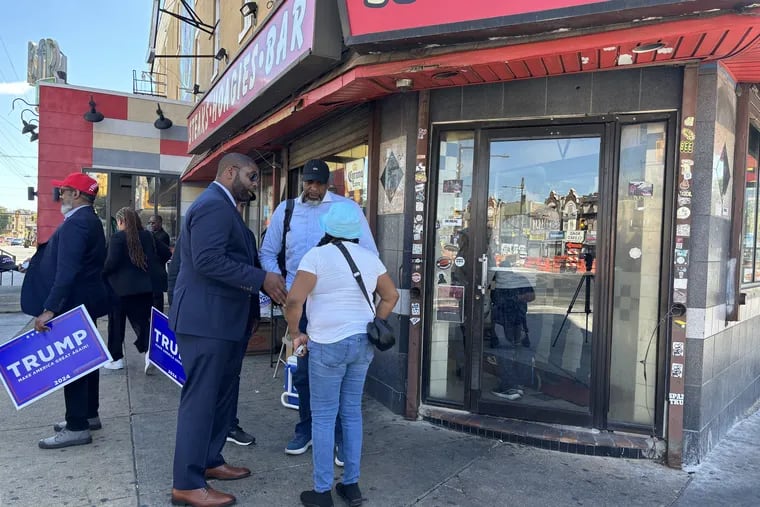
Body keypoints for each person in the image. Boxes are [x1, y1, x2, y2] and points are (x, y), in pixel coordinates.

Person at [169, 153, 286, 507]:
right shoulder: (213, 206)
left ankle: (210, 460)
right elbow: (207, 260)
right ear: (230, 171)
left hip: (225, 322)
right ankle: (187, 484)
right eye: (252, 176)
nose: (255, 184)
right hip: (207, 322)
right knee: (201, 401)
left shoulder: (224, 208)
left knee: (222, 398)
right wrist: (262, 279)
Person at [259, 159, 377, 459]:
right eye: (308, 182)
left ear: (328, 183)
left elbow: (370, 254)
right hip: (299, 306)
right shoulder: (286, 211)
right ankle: (307, 428)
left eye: (318, 183)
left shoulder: (346, 210)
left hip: (336, 306)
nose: (313, 188)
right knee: (302, 371)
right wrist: (279, 286)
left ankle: (338, 436)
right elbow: (268, 253)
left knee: (337, 374)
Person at [286, 201, 399, 507]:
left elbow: (294, 301)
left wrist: (296, 333)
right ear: (356, 232)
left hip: (327, 345)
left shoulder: (316, 257)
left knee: (323, 418)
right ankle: (351, 485)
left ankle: (322, 491)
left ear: (327, 228)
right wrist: (378, 319)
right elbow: (391, 295)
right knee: (351, 413)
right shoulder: (370, 258)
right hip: (362, 343)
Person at [20, 172, 109, 449]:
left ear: (77, 195)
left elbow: (66, 272)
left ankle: (76, 426)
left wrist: (49, 309)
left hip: (72, 305)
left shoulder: (77, 224)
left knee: (74, 366)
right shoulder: (89, 221)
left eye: (65, 191)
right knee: (86, 361)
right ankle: (88, 414)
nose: (61, 196)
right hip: (85, 303)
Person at [102, 207, 166, 375]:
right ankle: (148, 355)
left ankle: (116, 359)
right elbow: (166, 252)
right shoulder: (148, 236)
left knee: (116, 325)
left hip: (118, 290)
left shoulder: (117, 238)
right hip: (143, 289)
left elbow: (110, 263)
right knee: (142, 323)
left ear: (121, 221)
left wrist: (102, 275)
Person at [490, 255, 535, 401]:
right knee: (517, 351)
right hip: (519, 320)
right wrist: (519, 298)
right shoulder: (519, 279)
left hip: (503, 320)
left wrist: (514, 298)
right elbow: (531, 296)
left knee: (504, 352)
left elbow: (491, 299)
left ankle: (509, 386)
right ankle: (518, 384)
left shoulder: (497, 282)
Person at [148, 214, 172, 313]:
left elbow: (163, 252)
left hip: (158, 269)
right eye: (150, 223)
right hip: (151, 271)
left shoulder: (163, 236)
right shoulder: (150, 234)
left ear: (160, 223)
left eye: (153, 223)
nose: (151, 225)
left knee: (157, 297)